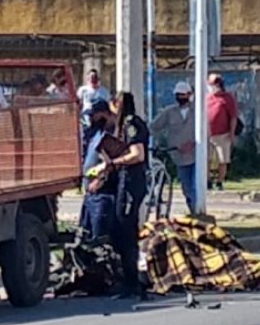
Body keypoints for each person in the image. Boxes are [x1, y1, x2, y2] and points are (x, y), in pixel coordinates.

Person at [93, 92, 149, 299]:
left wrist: (113, 163)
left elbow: (137, 154)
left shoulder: (131, 124)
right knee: (119, 228)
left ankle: (132, 282)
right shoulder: (122, 126)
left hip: (132, 182)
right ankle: (126, 278)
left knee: (126, 229)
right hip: (124, 180)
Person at [150, 81, 196, 214]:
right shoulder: (169, 112)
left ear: (189, 95)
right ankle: (193, 210)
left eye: (183, 95)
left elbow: (207, 132)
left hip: (196, 155)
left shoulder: (198, 112)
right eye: (178, 95)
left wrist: (192, 144)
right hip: (179, 156)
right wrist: (158, 143)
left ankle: (197, 212)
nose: (180, 97)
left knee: (196, 187)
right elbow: (153, 127)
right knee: (186, 188)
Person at [80, 100, 117, 239]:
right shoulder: (95, 132)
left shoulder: (112, 134)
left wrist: (99, 180)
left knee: (99, 234)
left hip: (103, 190)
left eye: (93, 115)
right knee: (86, 232)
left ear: (104, 114)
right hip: (90, 190)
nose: (91, 118)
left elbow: (111, 163)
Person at [207, 73, 238, 191]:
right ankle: (207, 181)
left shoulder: (227, 98)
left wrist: (232, 133)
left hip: (223, 134)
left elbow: (233, 117)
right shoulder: (206, 98)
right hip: (207, 134)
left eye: (214, 84)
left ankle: (219, 182)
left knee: (222, 159)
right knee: (206, 159)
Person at [77, 69, 110, 163]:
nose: (92, 79)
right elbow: (79, 105)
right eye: (90, 77)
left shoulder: (104, 92)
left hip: (100, 120)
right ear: (87, 79)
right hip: (86, 117)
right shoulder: (83, 90)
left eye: (94, 77)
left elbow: (108, 107)